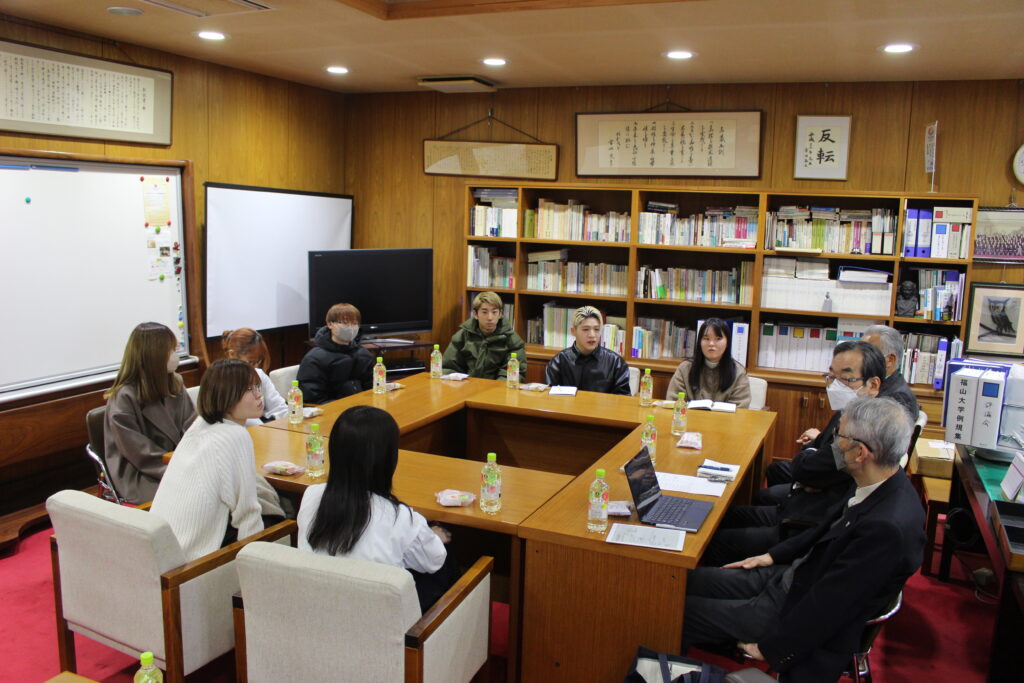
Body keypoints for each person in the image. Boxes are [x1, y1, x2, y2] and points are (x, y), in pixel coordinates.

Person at [683, 397, 925, 683]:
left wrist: (770, 648)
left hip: (789, 610)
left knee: (677, 609)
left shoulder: (886, 528)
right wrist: (771, 556)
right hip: (791, 576)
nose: (832, 445)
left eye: (839, 437)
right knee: (682, 582)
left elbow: (830, 605)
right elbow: (822, 531)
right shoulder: (877, 480)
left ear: (860, 452)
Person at [297, 405, 457, 611]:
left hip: (316, 609)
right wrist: (432, 535)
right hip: (377, 619)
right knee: (444, 566)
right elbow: (435, 560)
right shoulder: (399, 517)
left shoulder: (311, 495)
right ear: (388, 459)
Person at [150, 359, 282, 561]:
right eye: (249, 390)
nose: (259, 395)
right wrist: (254, 564)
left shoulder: (200, 424)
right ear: (226, 395)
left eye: (258, 387)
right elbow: (247, 515)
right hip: (194, 560)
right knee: (280, 518)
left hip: (164, 549)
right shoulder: (235, 435)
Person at [104, 322, 196, 504]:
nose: (176, 355)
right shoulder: (124, 397)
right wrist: (180, 469)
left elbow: (192, 427)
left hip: (178, 462)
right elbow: (140, 453)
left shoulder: (175, 382)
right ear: (153, 355)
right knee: (191, 495)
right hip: (142, 472)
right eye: (171, 350)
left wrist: (195, 459)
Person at [297, 303, 374, 404]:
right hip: (331, 409)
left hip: (362, 406)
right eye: (345, 323)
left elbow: (372, 387)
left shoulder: (363, 354)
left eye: (354, 323)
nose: (350, 328)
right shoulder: (314, 359)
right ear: (330, 324)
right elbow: (312, 397)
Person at [545, 305, 630, 395]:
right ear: (573, 331)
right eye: (586, 329)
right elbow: (549, 397)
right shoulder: (558, 362)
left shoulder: (616, 363)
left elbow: (623, 399)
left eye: (597, 329)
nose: (592, 335)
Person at [666, 318, 751, 408]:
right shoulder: (685, 369)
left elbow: (740, 409)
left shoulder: (738, 372)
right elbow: (674, 402)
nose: (711, 344)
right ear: (699, 342)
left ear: (727, 343)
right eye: (706, 339)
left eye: (718, 339)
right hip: (690, 417)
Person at [442, 291, 526, 380]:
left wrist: (495, 387)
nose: (490, 318)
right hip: (468, 385)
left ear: (500, 314)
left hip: (497, 387)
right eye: (485, 312)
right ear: (475, 314)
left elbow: (513, 374)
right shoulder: (462, 336)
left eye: (494, 312)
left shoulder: (512, 340)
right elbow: (449, 368)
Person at [222, 327, 289, 425]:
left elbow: (279, 407)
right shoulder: (222, 383)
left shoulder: (259, 374)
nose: (255, 367)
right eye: (251, 362)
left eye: (258, 361)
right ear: (232, 355)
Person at [861, 324, 920, 419]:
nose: (858, 360)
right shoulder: (871, 384)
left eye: (867, 354)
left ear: (890, 360)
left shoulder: (898, 399)